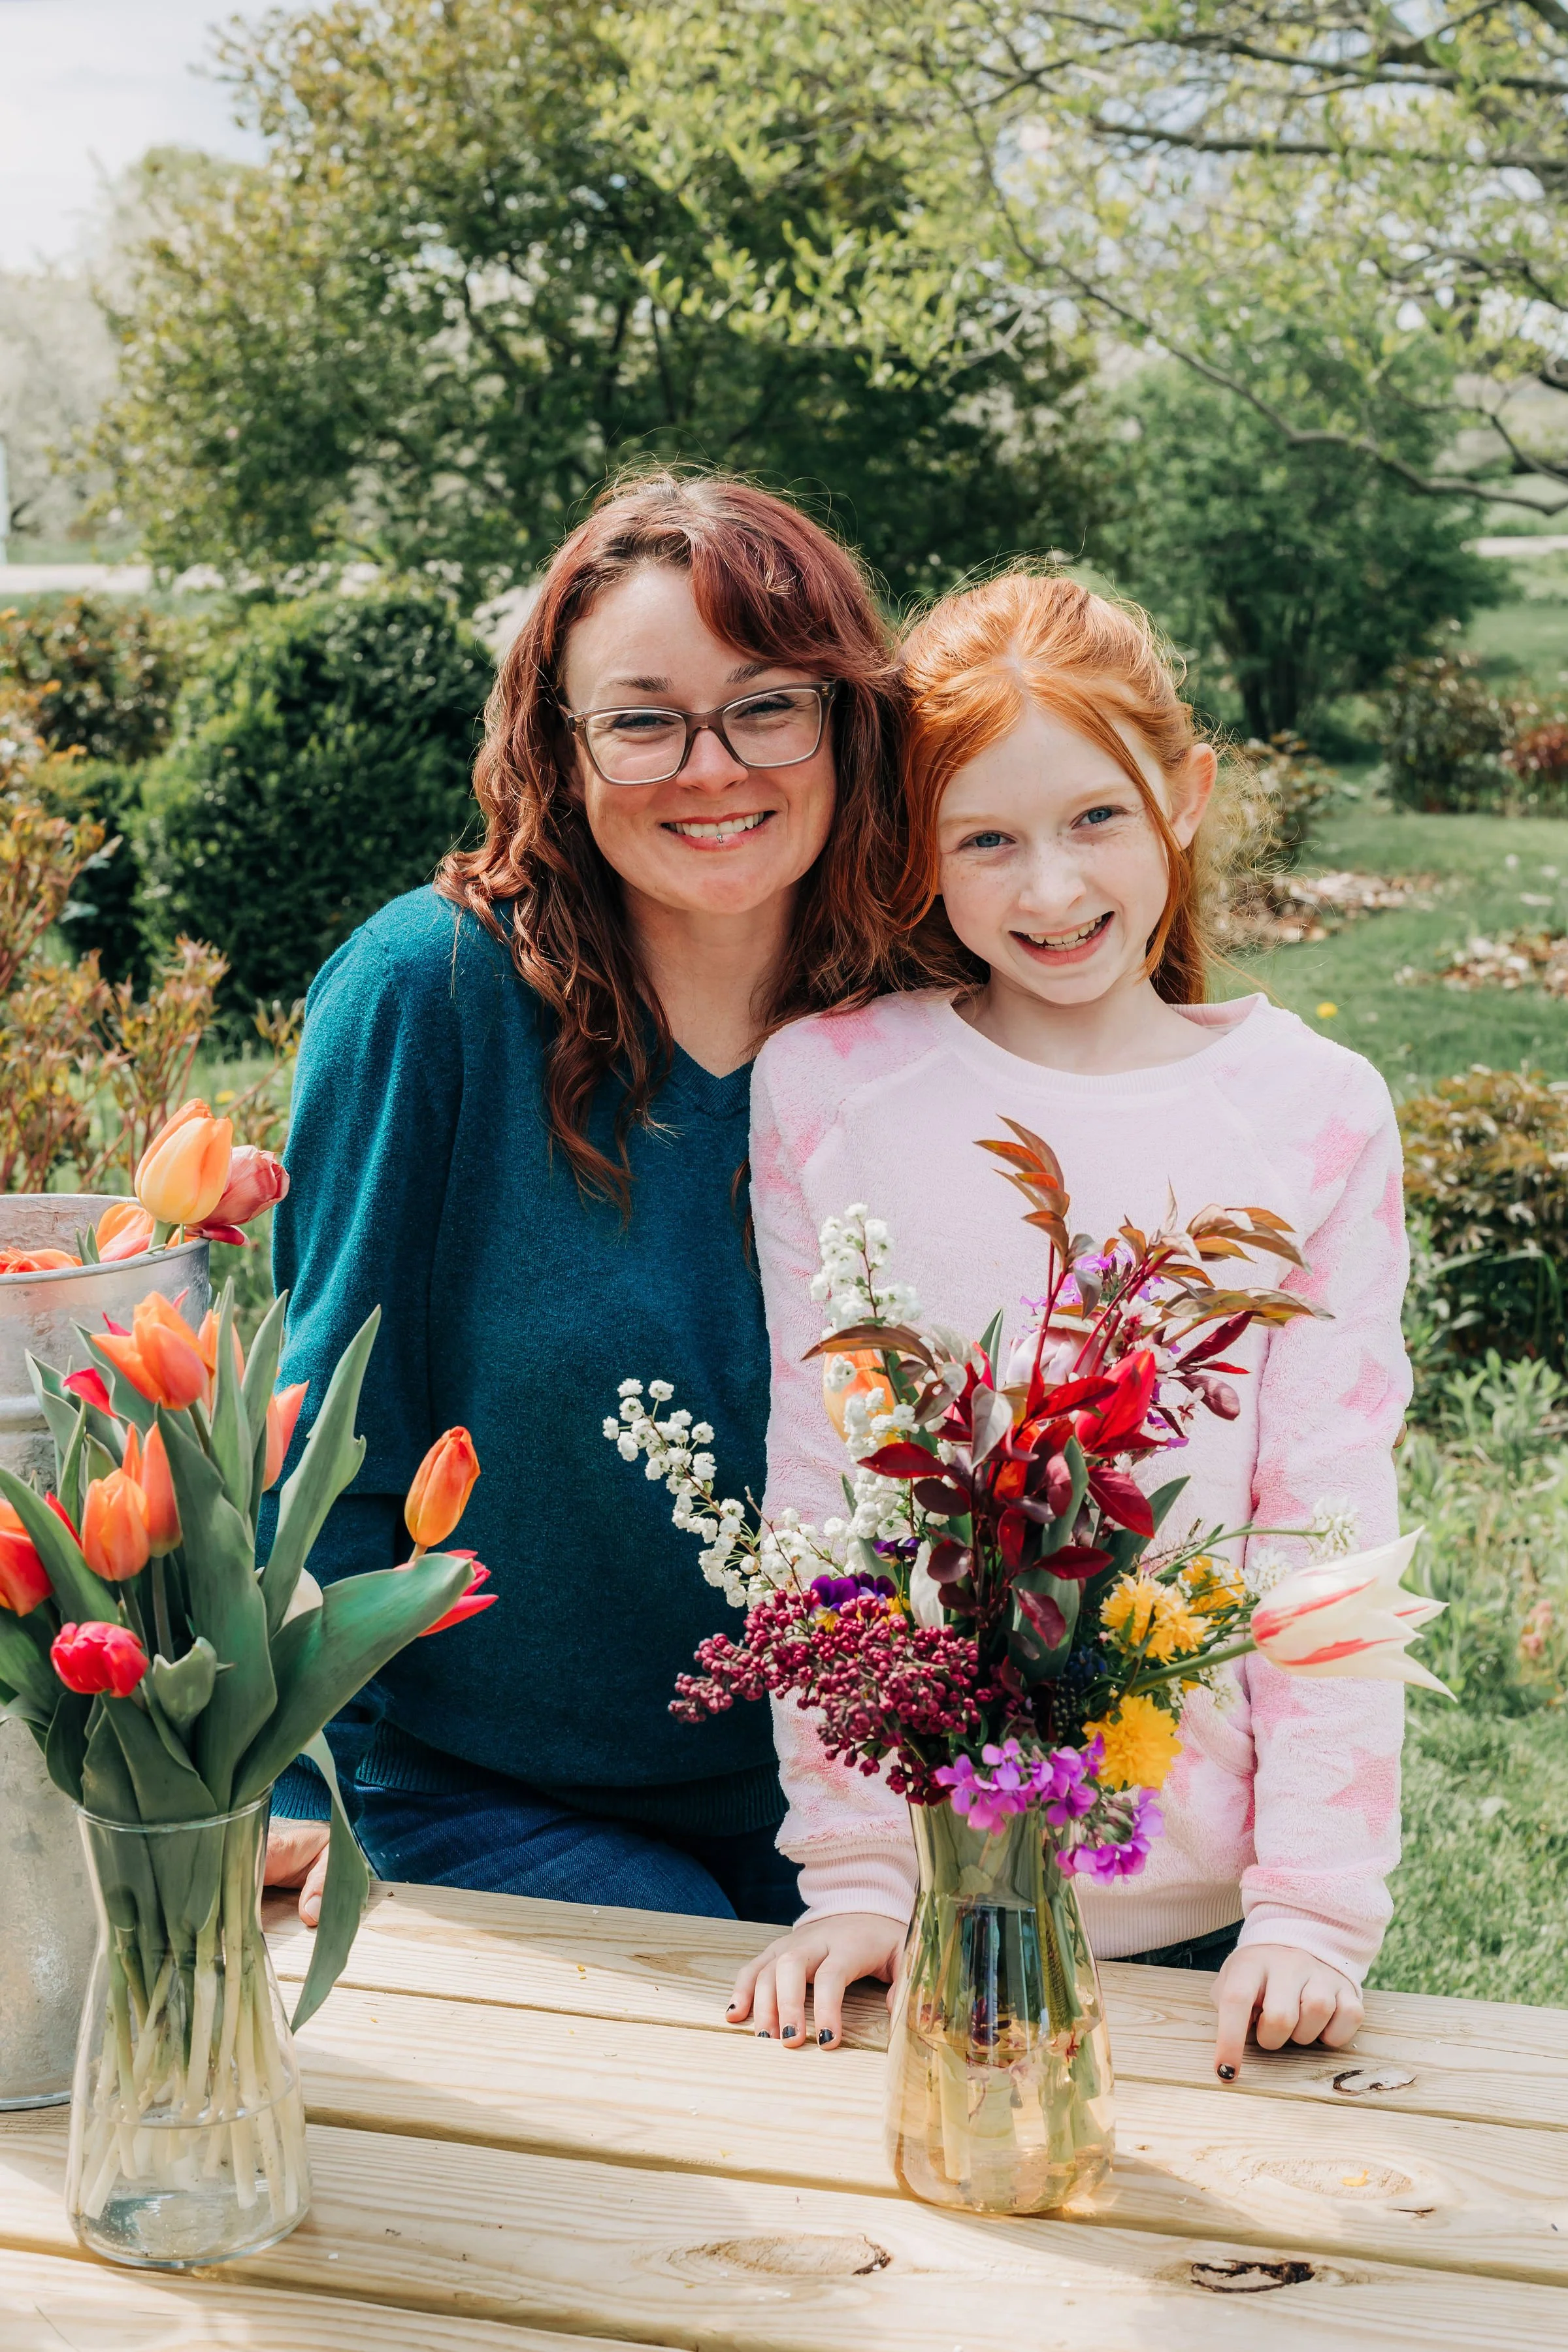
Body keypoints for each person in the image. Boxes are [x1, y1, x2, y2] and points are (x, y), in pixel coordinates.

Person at [727, 570, 1411, 2076]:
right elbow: (822, 1498)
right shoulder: (833, 1092)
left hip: (1215, 1923)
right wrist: (851, 1873)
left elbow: (1326, 1536)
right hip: (924, 1893)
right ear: (918, 854)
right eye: (988, 840)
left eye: (1094, 818)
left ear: (1183, 793)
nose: (1050, 890)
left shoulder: (1311, 1116)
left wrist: (1312, 1913)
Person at [263, 471, 912, 1929]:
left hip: (874, 1792)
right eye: (642, 719)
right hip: (493, 1794)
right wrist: (291, 1783)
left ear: (845, 717)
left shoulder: (921, 1021)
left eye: (767, 704)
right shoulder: (430, 997)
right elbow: (317, 1450)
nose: (712, 766)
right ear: (558, 747)